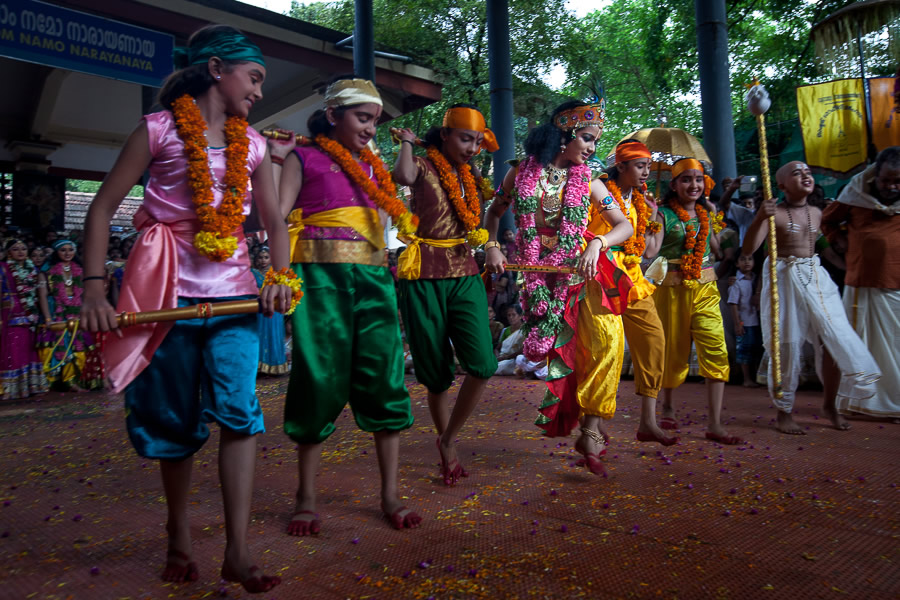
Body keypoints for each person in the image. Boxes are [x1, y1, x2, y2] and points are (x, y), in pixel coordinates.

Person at [79, 25, 293, 593]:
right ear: (218, 69)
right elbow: (101, 210)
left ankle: (238, 551)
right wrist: (95, 289)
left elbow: (272, 222)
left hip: (235, 295)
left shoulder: (255, 144)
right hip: (164, 296)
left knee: (240, 415)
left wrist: (278, 275)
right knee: (172, 421)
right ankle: (178, 534)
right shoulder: (157, 130)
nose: (259, 92)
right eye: (254, 78)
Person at [277, 77, 421, 534]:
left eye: (375, 120)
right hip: (318, 278)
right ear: (334, 115)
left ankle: (391, 493)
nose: (370, 128)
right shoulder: (303, 155)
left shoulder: (375, 167)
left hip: (373, 278)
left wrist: (381, 269)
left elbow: (383, 220)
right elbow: (277, 215)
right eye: (363, 117)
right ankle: (305, 496)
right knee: (318, 376)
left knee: (384, 374)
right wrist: (279, 275)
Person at [484, 97, 634, 476]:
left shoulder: (594, 182)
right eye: (586, 138)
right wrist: (492, 245)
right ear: (562, 135)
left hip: (584, 272)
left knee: (608, 343)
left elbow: (624, 226)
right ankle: (585, 426)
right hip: (539, 275)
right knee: (568, 355)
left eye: (595, 140)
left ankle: (593, 430)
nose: (592, 147)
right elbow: (494, 213)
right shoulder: (518, 173)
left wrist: (598, 242)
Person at [392, 105, 498, 486]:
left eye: (476, 141)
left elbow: (483, 221)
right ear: (445, 136)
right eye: (465, 139)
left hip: (465, 271)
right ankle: (447, 446)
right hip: (423, 273)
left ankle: (447, 437)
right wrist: (405, 142)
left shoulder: (472, 177)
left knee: (483, 364)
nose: (471, 148)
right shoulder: (421, 164)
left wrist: (495, 245)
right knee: (436, 373)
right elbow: (401, 175)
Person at [743, 161, 880, 434]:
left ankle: (830, 405)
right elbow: (748, 250)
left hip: (815, 276)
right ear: (781, 185)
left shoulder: (817, 212)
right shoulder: (774, 213)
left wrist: (848, 268)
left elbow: (822, 249)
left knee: (835, 339)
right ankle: (784, 411)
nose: (805, 176)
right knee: (788, 344)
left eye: (807, 172)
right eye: (796, 173)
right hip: (783, 278)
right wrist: (759, 217)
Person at [644, 158, 741, 444]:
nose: (694, 185)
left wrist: (716, 221)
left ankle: (715, 424)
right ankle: (668, 406)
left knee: (716, 350)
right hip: (672, 289)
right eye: (686, 179)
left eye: (698, 179)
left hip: (706, 290)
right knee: (672, 352)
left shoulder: (705, 213)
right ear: (673, 185)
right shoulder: (662, 214)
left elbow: (718, 250)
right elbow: (651, 252)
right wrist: (651, 220)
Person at [596, 140, 677, 446]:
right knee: (605, 347)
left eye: (648, 166)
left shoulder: (641, 201)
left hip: (632, 275)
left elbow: (649, 251)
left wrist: (654, 219)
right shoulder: (600, 192)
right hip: (603, 273)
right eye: (641, 166)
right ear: (621, 167)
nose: (647, 172)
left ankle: (648, 421)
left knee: (654, 340)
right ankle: (594, 420)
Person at [821, 147, 899, 420]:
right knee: (858, 346)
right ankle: (859, 402)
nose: (891, 186)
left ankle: (893, 403)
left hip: (896, 286)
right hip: (861, 284)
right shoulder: (855, 196)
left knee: (896, 348)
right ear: (875, 175)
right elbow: (826, 220)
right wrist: (836, 239)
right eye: (886, 180)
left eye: (898, 181)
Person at [36, 240, 102, 391]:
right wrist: (47, 318)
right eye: (63, 250)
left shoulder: (81, 270)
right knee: (59, 344)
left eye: (70, 250)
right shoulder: (46, 273)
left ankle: (72, 380)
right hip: (56, 312)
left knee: (77, 344)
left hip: (77, 311)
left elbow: (86, 294)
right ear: (56, 253)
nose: (67, 253)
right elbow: (43, 296)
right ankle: (56, 381)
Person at [0, 239, 48, 399]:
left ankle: (29, 386)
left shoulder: (32, 268)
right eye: (15, 249)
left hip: (29, 312)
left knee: (27, 347)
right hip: (8, 311)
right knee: (11, 347)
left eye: (23, 248)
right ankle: (10, 389)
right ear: (8, 253)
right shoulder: (3, 268)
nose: (20, 252)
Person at [251, 247, 288, 375]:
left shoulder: (276, 274)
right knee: (260, 335)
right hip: (258, 309)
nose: (263, 260)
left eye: (266, 257)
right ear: (256, 259)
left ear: (271, 258)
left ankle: (275, 366)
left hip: (274, 310)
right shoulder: (253, 273)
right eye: (260, 257)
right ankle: (259, 367)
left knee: (274, 334)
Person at [727, 253, 761, 387]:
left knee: (755, 348)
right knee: (744, 350)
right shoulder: (736, 283)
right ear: (736, 264)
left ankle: (755, 376)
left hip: (756, 321)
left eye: (750, 259)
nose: (747, 262)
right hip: (744, 322)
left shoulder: (756, 280)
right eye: (742, 259)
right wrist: (737, 324)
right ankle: (746, 378)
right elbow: (733, 304)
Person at [494, 304, 525, 375]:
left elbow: (523, 350)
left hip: (515, 359)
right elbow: (497, 348)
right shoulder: (506, 330)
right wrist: (497, 355)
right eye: (509, 315)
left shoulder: (525, 330)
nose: (511, 317)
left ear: (520, 316)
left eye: (513, 315)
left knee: (501, 366)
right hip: (502, 358)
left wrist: (506, 357)